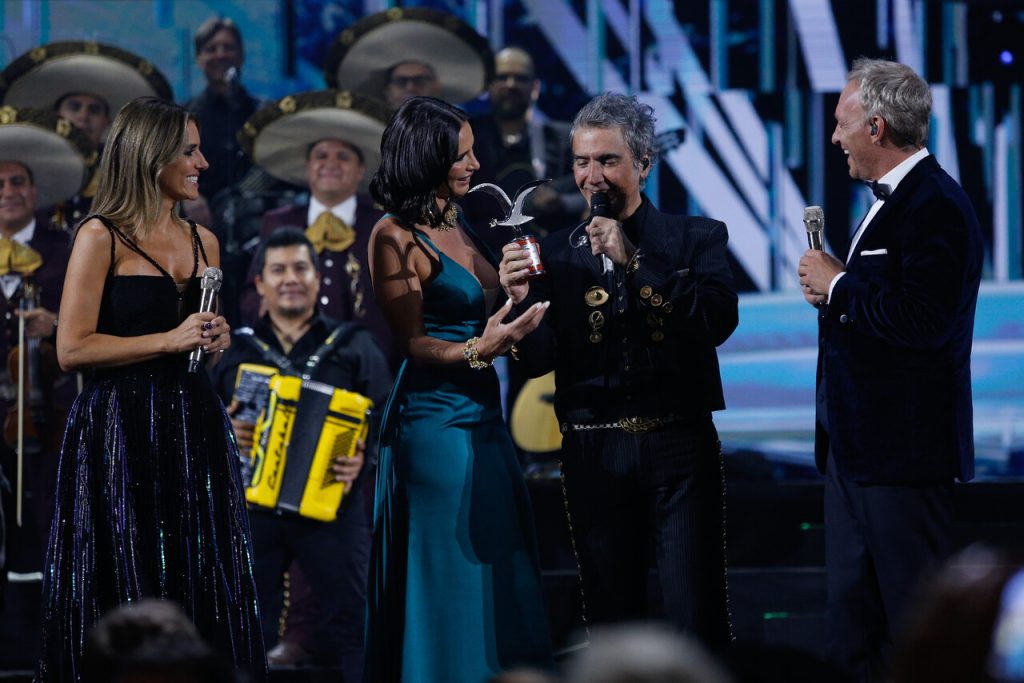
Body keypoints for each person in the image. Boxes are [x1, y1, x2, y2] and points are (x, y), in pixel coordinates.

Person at [36, 97, 265, 681]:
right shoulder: (99, 236)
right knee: (121, 573)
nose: (203, 162)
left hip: (193, 425)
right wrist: (169, 338)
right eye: (189, 151)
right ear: (149, 154)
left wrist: (211, 341)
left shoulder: (205, 242)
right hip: (116, 430)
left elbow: (196, 342)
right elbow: (72, 349)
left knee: (198, 572)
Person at [498, 93, 737, 646]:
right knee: (611, 616)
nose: (592, 176)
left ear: (644, 165)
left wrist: (636, 260)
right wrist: (513, 303)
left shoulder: (696, 238)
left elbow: (715, 323)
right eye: (582, 162)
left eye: (608, 161)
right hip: (592, 450)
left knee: (693, 614)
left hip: (679, 446)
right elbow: (536, 362)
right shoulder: (554, 253)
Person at [797, 58, 984, 682]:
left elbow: (925, 322)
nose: (834, 136)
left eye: (841, 122)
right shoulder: (890, 202)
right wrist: (840, 289)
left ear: (875, 128)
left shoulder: (936, 205)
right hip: (854, 456)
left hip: (903, 460)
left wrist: (841, 286)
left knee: (914, 630)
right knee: (853, 629)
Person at [364, 96, 553, 682]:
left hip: (482, 415)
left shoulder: (456, 216)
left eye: (473, 152)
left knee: (498, 563)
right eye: (461, 156)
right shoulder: (391, 236)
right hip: (433, 425)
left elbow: (485, 306)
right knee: (451, 573)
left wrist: (514, 286)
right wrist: (481, 349)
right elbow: (414, 343)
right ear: (426, 159)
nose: (475, 165)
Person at [212, 227, 391, 679]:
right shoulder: (233, 350)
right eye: (278, 270)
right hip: (252, 508)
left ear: (316, 279)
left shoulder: (353, 344)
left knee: (356, 624)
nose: (290, 278)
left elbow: (388, 417)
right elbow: (199, 423)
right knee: (241, 629)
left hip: (332, 505)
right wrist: (224, 432)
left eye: (300, 268)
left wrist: (363, 459)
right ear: (260, 284)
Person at [0, 109, 95, 580]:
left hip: (52, 411)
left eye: (17, 182)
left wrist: (56, 323)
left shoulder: (68, 247)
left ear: (35, 192)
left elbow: (97, 318)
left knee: (53, 515)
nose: (8, 193)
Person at [236, 90, 393, 361]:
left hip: (368, 364)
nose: (330, 164)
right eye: (321, 156)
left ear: (360, 171)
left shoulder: (383, 225)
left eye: (343, 157)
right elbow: (252, 293)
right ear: (307, 167)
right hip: (290, 360)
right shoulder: (278, 221)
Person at [0, 40, 174, 233]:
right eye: (74, 107)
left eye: (94, 109)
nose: (83, 116)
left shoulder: (129, 174)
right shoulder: (26, 167)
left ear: (107, 123)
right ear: (56, 115)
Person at [324, 7, 492, 110]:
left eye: (420, 81)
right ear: (387, 91)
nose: (411, 88)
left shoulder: (463, 143)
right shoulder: (366, 146)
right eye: (401, 82)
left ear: (437, 87)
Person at [184, 17, 259, 204]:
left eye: (228, 47)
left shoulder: (262, 114)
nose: (220, 54)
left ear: (241, 55)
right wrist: (188, 197)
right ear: (199, 59)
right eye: (211, 49)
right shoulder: (182, 116)